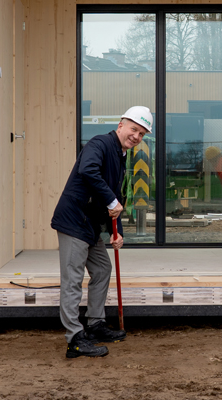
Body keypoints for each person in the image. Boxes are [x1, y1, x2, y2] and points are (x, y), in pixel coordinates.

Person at [51, 105, 154, 358]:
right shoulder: (99, 144)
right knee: (73, 279)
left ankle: (95, 324)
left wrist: (114, 232)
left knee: (102, 269)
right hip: (74, 221)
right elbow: (88, 172)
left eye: (141, 133)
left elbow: (115, 198)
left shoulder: (120, 155)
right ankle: (74, 339)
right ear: (121, 124)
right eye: (133, 129)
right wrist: (111, 202)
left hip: (90, 225)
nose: (136, 137)